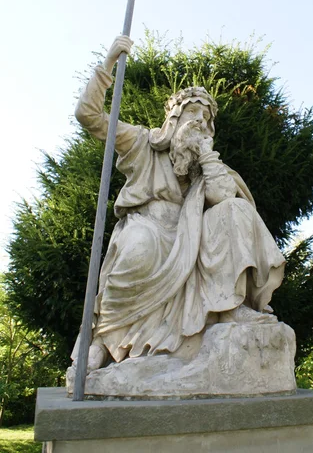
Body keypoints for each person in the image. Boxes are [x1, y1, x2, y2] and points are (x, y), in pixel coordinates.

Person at [72, 36, 286, 372]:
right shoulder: (143, 142)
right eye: (193, 114)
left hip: (189, 237)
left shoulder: (207, 164)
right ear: (172, 119)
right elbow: (89, 115)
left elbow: (222, 198)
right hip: (148, 226)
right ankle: (103, 339)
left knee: (236, 209)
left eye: (206, 119)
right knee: (140, 248)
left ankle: (229, 306)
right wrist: (109, 63)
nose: (200, 123)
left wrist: (207, 156)